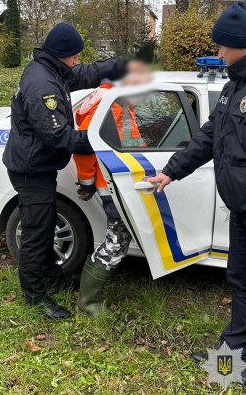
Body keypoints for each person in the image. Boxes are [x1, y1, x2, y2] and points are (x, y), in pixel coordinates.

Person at [147, 2, 246, 388]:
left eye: (221, 46)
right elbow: (210, 136)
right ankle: (231, 354)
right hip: (243, 210)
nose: (217, 53)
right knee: (241, 282)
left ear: (241, 45)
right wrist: (171, 171)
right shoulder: (239, 81)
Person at [3, 23, 128, 320]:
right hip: (31, 170)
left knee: (45, 226)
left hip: (39, 164)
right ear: (61, 55)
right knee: (36, 233)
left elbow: (82, 74)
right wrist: (100, 141)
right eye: (73, 56)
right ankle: (35, 296)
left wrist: (119, 66)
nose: (76, 61)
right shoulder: (42, 86)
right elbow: (58, 137)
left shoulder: (51, 70)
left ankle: (51, 276)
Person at [74, 61, 152, 316]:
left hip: (118, 180)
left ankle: (87, 298)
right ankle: (87, 302)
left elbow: (128, 138)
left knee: (119, 238)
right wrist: (86, 182)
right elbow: (85, 147)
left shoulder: (110, 98)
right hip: (112, 184)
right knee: (117, 240)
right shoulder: (109, 102)